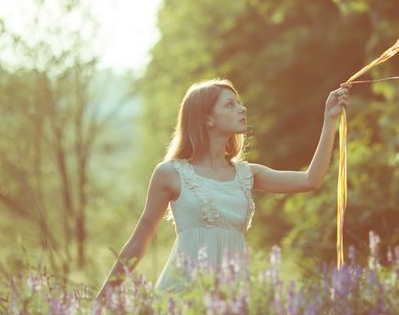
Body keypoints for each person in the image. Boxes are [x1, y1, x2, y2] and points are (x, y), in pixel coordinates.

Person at [93, 78, 351, 300]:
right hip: (183, 293)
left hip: (235, 295)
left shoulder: (248, 174)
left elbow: (311, 180)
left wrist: (329, 122)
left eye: (238, 103)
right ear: (208, 119)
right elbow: (139, 240)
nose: (243, 108)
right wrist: (103, 298)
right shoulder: (170, 173)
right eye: (230, 104)